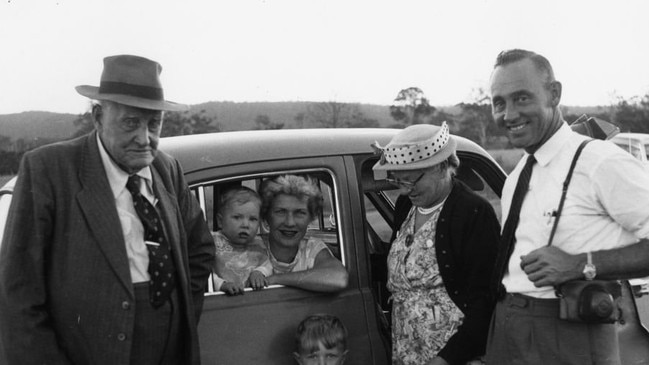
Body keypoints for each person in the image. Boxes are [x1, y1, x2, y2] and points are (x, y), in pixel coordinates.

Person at [0, 55, 215, 365]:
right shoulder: (49, 169)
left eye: (154, 124)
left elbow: (200, 251)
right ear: (98, 117)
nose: (145, 139)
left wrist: (177, 317)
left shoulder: (167, 170)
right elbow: (18, 292)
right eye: (131, 123)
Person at [486, 49, 649, 365]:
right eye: (499, 103)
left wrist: (581, 265)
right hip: (508, 326)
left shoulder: (600, 161)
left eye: (522, 98)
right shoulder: (518, 174)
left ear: (554, 93)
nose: (508, 114)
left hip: (569, 331)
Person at [371, 123, 500, 365]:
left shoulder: (473, 212)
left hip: (456, 356)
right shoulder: (406, 206)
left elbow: (485, 300)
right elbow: (402, 265)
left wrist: (445, 359)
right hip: (408, 351)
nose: (405, 190)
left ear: (442, 166)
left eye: (411, 181)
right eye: (399, 181)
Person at [258, 174, 348, 292]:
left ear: (310, 218)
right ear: (266, 216)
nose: (290, 222)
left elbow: (339, 278)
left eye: (300, 213)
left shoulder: (311, 248)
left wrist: (275, 279)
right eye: (280, 212)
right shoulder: (252, 246)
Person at [212, 186, 272, 295]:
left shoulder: (258, 243)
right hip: (221, 301)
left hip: (253, 301)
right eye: (237, 217)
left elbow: (268, 264)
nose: (245, 225)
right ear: (220, 221)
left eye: (252, 219)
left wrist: (259, 272)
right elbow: (205, 272)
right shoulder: (212, 242)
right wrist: (221, 284)